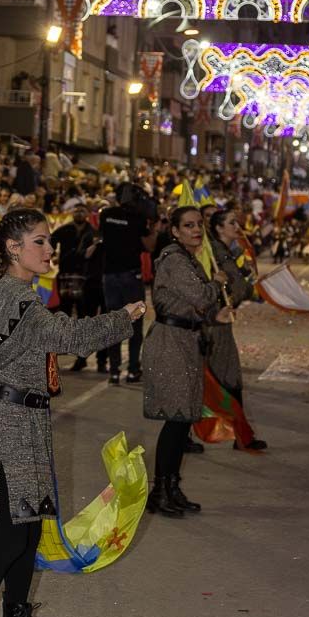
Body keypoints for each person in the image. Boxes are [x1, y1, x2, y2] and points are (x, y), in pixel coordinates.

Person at [0, 207, 144, 617]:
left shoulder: (4, 293)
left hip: (21, 420)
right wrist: (124, 317)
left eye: (48, 240)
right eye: (39, 241)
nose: (50, 249)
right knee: (11, 538)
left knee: (29, 532)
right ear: (14, 249)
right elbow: (70, 336)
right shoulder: (20, 303)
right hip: (8, 424)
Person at [142, 206, 232, 518]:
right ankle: (160, 491)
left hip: (186, 340)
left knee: (183, 421)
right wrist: (217, 282)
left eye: (199, 225)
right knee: (176, 419)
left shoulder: (188, 259)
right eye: (189, 225)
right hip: (170, 343)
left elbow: (197, 306)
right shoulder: (174, 259)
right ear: (175, 231)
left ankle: (172, 487)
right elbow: (201, 296)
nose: (196, 230)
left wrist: (215, 316)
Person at [207, 209, 267, 451]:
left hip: (218, 321)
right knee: (226, 378)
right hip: (215, 323)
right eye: (231, 223)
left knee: (216, 378)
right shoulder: (217, 253)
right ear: (219, 228)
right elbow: (237, 288)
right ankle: (242, 437)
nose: (237, 226)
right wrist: (255, 290)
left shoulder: (225, 251)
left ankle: (241, 435)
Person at [99, 182, 157, 384]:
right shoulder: (138, 218)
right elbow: (149, 246)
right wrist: (153, 227)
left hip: (109, 276)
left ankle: (114, 371)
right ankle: (133, 370)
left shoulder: (106, 215)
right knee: (135, 322)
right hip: (131, 276)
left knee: (114, 322)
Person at [50, 203, 96, 370]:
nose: (79, 213)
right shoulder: (65, 229)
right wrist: (52, 256)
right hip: (66, 275)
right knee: (64, 313)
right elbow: (50, 241)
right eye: (76, 210)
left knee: (83, 315)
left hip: (85, 277)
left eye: (82, 210)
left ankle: (81, 357)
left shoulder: (92, 232)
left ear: (87, 213)